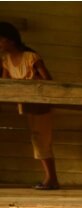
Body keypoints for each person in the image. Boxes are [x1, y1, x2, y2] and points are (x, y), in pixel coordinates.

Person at [0, 22, 59, 190]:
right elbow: (5, 83)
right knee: (36, 139)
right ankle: (50, 178)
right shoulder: (6, 60)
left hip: (40, 104)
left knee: (42, 140)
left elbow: (48, 80)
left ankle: (51, 178)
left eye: (1, 40)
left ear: (11, 41)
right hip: (26, 105)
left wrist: (32, 84)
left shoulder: (30, 57)